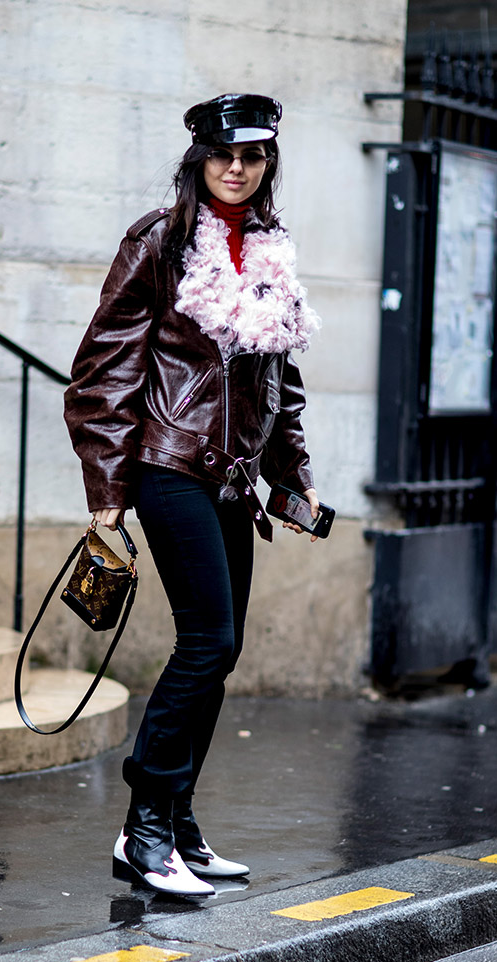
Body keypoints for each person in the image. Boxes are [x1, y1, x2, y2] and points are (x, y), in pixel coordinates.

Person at [64, 93, 322, 897]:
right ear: (198, 159)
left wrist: (295, 477)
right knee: (205, 641)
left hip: (234, 478)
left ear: (267, 162)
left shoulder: (271, 249)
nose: (236, 169)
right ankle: (142, 828)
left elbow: (278, 376)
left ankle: (176, 822)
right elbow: (102, 370)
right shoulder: (159, 240)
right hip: (167, 462)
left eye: (251, 157)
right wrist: (107, 491)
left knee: (225, 646)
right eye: (222, 156)